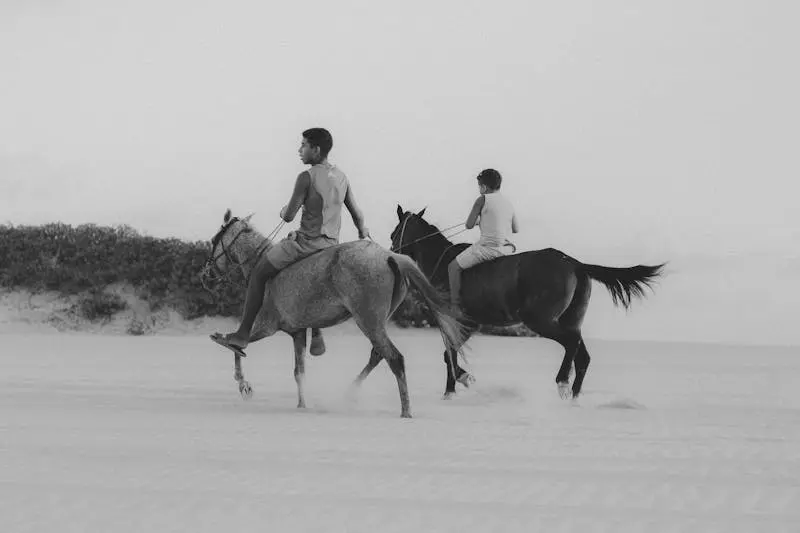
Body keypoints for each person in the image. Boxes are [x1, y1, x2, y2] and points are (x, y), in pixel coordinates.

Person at [216, 127, 370, 352]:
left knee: (258, 274)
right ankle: (316, 333)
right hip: (331, 245)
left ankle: (242, 335)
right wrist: (362, 231)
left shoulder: (306, 177)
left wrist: (282, 211)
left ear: (316, 150)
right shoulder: (341, 176)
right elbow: (357, 214)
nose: (299, 150)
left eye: (304, 145)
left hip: (306, 244)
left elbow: (288, 216)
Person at [448, 168, 519, 309]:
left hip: (488, 248)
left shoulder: (482, 200)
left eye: (479, 186)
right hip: (506, 249)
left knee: (453, 267)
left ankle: (455, 305)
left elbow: (468, 225)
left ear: (484, 187)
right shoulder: (508, 203)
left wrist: (478, 219)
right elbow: (516, 229)